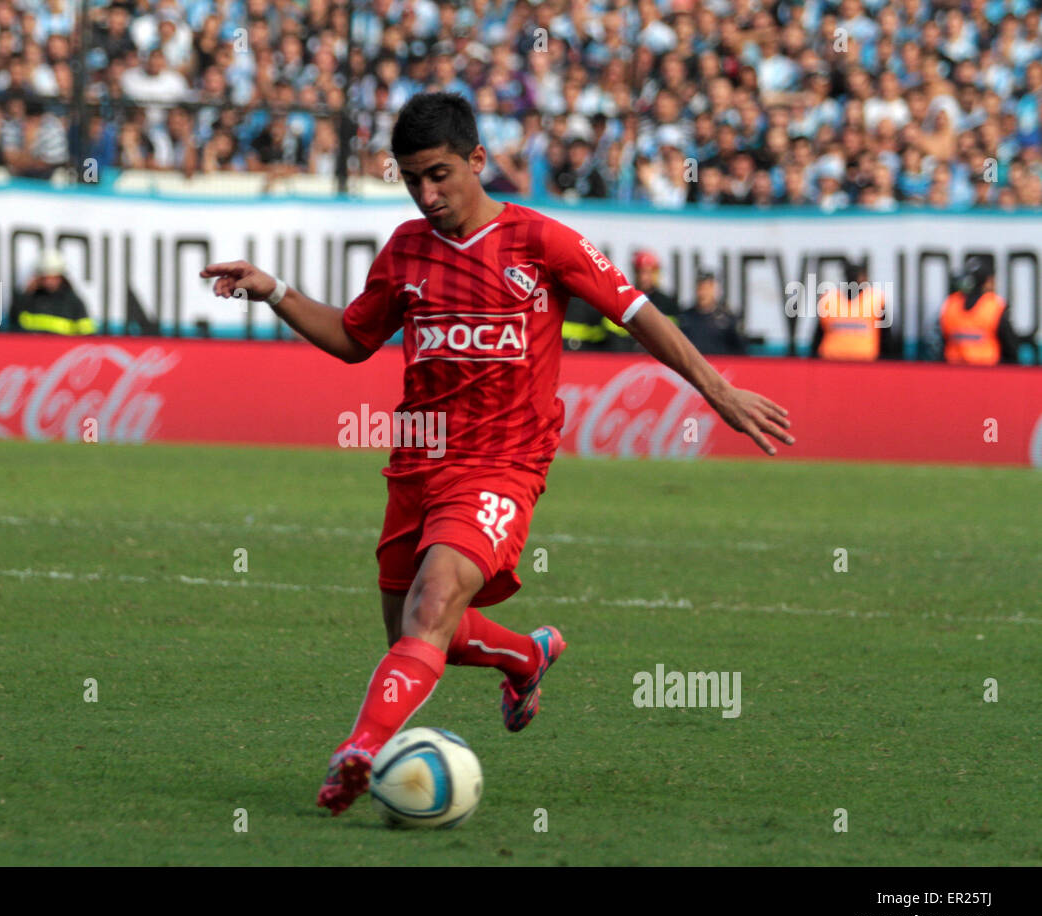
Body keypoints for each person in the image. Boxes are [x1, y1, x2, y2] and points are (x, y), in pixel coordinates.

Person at [201, 93, 794, 818]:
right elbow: (355, 339)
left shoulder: (542, 242)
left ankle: (357, 753)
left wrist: (716, 388)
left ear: (478, 161)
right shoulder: (406, 250)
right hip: (416, 464)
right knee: (422, 638)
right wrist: (276, 292)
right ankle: (523, 654)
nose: (427, 194)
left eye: (440, 174)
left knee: (431, 606)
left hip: (502, 465)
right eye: (413, 179)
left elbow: (638, 313)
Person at [938, 256, 1018, 365]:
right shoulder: (994, 306)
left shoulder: (950, 304)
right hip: (987, 373)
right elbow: (1010, 349)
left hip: (953, 371)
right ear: (988, 281)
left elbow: (942, 342)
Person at [811, 262, 893, 360]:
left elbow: (886, 338)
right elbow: (887, 339)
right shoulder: (875, 299)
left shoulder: (875, 300)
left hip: (859, 362)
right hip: (835, 360)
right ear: (863, 278)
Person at [4, 248, 94, 335]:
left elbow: (86, 334)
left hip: (64, 349)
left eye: (53, 277)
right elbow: (13, 323)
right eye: (45, 277)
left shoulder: (73, 302)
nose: (49, 281)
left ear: (60, 277)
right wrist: (26, 293)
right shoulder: (29, 300)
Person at [677, 270, 746, 354]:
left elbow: (740, 351)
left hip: (720, 365)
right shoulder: (685, 317)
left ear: (715, 289)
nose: (703, 293)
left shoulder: (727, 319)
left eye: (707, 288)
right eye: (700, 288)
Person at [631, 249, 682, 318]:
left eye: (648, 273)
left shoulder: (668, 304)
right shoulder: (628, 300)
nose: (643, 278)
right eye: (640, 272)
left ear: (656, 274)